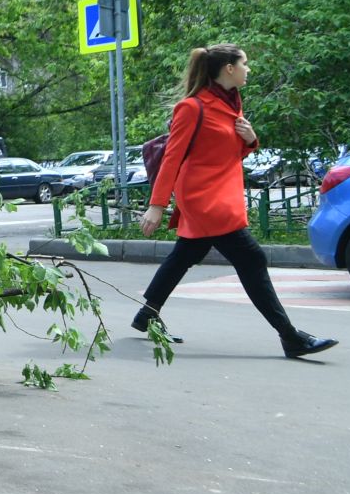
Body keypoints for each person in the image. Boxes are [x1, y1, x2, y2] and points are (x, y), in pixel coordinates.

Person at [134, 44, 336, 359]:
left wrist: (250, 139)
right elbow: (172, 159)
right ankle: (290, 336)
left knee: (184, 256)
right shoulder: (192, 107)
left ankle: (146, 315)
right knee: (252, 259)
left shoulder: (230, 104)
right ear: (229, 68)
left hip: (221, 194)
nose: (248, 69)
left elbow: (228, 152)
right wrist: (157, 204)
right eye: (245, 63)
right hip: (205, 200)